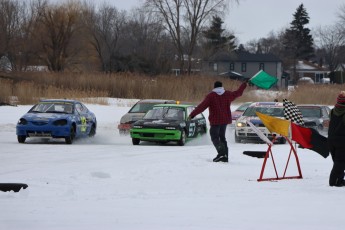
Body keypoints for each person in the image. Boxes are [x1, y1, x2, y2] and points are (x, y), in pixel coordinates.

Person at [188, 80, 248, 162]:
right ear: (221, 86)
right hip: (224, 120)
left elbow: (201, 106)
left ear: (214, 87)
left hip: (215, 120)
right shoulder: (227, 94)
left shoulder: (211, 96)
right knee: (222, 138)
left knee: (214, 137)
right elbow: (238, 93)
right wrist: (244, 85)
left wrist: (192, 114)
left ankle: (221, 153)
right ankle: (225, 156)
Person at [328, 91, 345, 187]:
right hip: (342, 141)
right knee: (340, 162)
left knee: (338, 162)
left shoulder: (333, 111)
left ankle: (340, 180)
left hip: (331, 140)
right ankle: (333, 182)